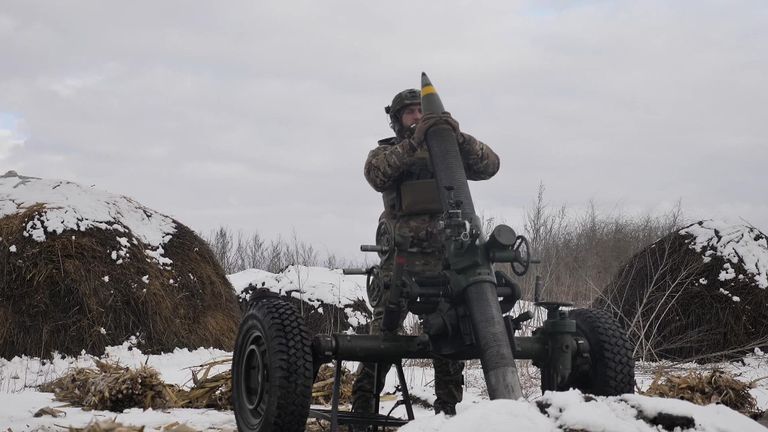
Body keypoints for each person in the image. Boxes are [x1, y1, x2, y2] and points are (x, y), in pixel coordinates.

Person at [350, 89, 500, 420]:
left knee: (450, 343)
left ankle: (448, 417)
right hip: (401, 265)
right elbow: (378, 176)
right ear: (397, 120)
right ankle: (362, 415)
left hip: (448, 262)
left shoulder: (448, 152)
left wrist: (458, 137)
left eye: (422, 110)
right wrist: (415, 141)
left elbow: (490, 165)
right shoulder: (387, 152)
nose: (419, 116)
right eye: (410, 113)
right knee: (382, 340)